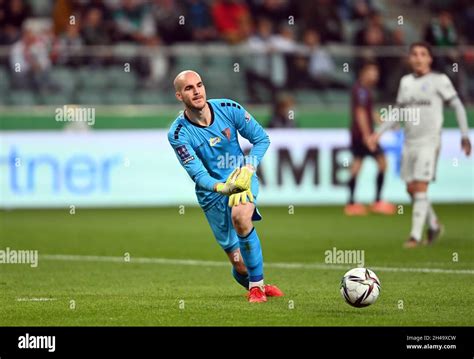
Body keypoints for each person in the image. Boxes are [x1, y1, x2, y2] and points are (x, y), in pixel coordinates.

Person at [168, 70, 284, 302]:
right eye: (189, 88)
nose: (197, 91)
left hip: (241, 178)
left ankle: (257, 288)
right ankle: (255, 280)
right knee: (240, 265)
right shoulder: (178, 134)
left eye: (199, 85)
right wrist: (223, 188)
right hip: (212, 194)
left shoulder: (228, 108)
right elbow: (198, 174)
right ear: (179, 95)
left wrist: (249, 168)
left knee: (241, 218)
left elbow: (261, 139)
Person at [369, 42, 471, 248]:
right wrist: (377, 133)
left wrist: (464, 135)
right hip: (409, 142)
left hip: (429, 141)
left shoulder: (439, 80)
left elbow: (458, 105)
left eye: (422, 54)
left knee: (421, 186)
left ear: (429, 59)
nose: (418, 58)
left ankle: (414, 236)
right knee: (411, 188)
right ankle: (433, 224)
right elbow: (397, 111)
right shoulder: (406, 82)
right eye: (414, 54)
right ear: (410, 58)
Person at [345, 61, 396, 216]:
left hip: (358, 134)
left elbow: (369, 112)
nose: (375, 76)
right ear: (363, 73)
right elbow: (361, 114)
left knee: (358, 165)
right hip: (362, 135)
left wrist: (385, 123)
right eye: (372, 72)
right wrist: (368, 136)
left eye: (376, 73)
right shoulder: (361, 90)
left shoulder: (364, 90)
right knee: (381, 163)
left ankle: (352, 203)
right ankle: (377, 201)